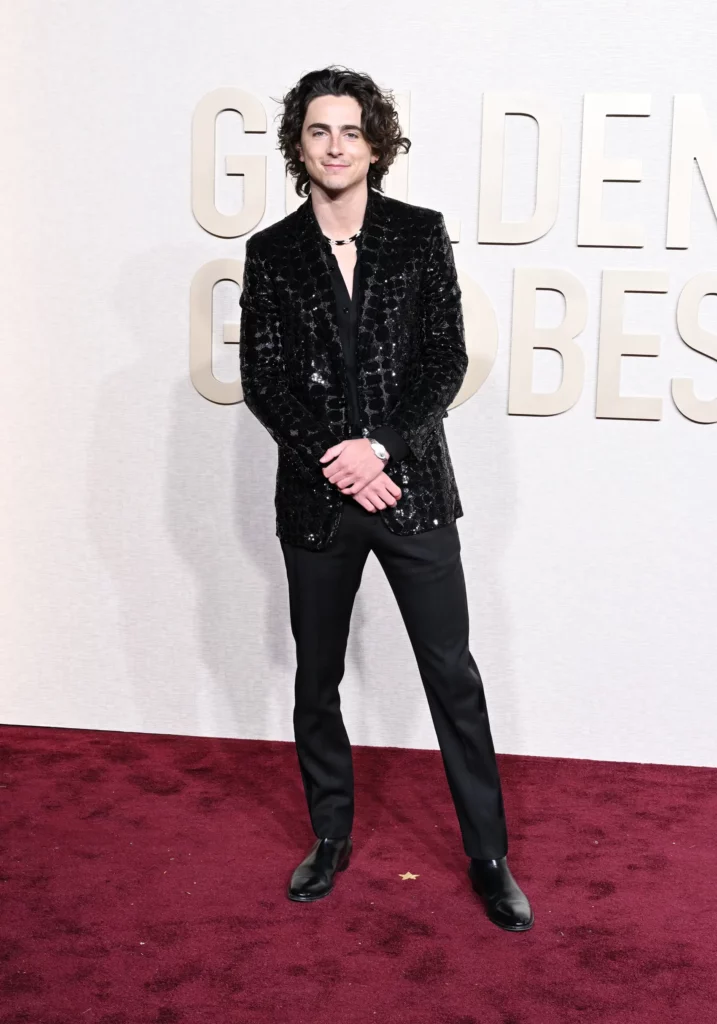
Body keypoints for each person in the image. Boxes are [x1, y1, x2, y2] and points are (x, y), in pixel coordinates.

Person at [239, 66, 533, 932]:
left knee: (452, 674)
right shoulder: (271, 252)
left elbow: (445, 358)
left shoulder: (418, 234)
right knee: (317, 676)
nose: (334, 146)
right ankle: (329, 836)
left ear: (376, 145)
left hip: (412, 491)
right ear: (298, 145)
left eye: (350, 131)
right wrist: (336, 462)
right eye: (318, 130)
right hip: (318, 501)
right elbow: (263, 379)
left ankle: (488, 856)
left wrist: (379, 450)